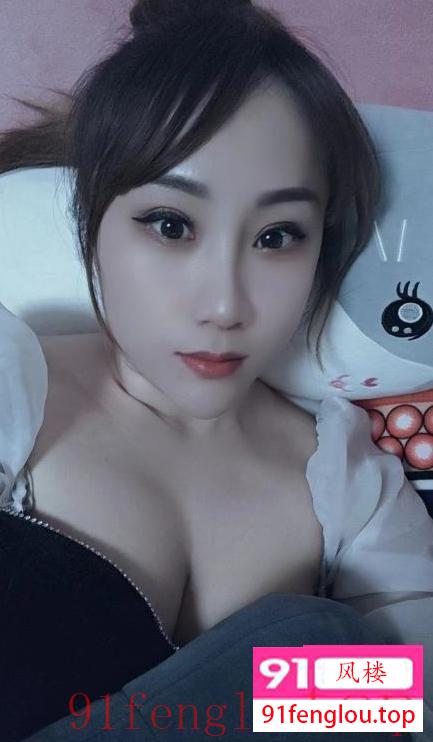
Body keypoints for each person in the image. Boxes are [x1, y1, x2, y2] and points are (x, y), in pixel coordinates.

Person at [0, 0, 430, 739]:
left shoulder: (350, 482)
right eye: (170, 225)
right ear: (90, 221)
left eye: (278, 236)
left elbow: (411, 703)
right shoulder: (14, 383)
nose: (226, 305)